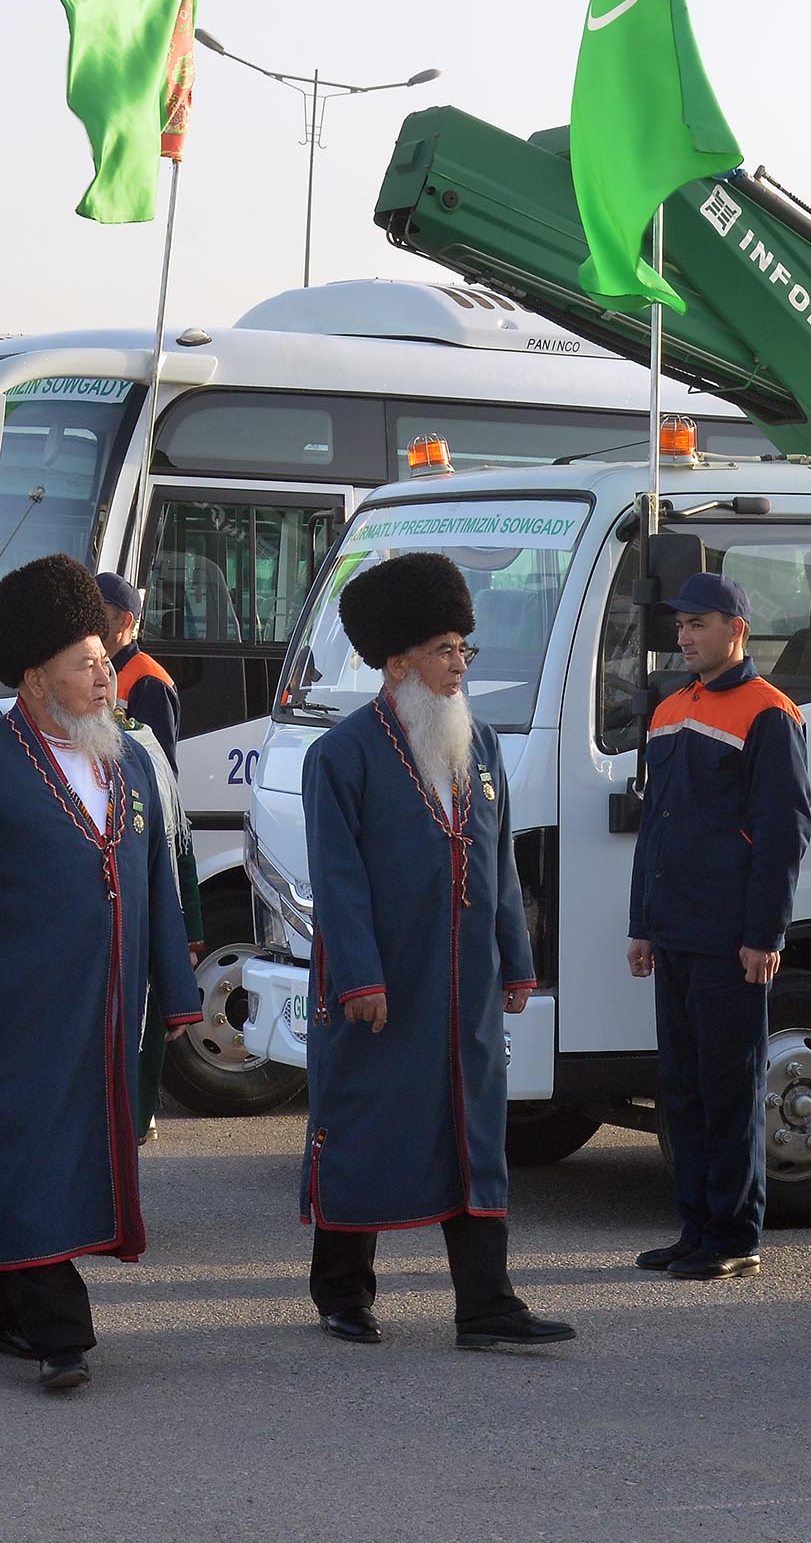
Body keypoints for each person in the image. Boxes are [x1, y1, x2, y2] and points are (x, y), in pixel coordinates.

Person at [0, 553, 199, 1392]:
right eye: (87, 663)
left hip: (106, 1011)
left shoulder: (131, 760)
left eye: (105, 659)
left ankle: (0, 1310)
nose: (108, 675)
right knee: (22, 1154)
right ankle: (60, 1331)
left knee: (70, 1157)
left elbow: (155, 886)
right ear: (37, 678)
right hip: (13, 1012)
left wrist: (177, 996)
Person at [299, 552, 574, 1352]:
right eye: (444, 649)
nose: (459, 664)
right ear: (395, 663)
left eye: (464, 648)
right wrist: (358, 976)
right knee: (365, 1127)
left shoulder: (478, 744)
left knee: (474, 1131)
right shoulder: (341, 755)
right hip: (383, 982)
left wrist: (516, 960)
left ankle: (485, 1303)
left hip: (466, 986)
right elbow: (338, 878)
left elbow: (498, 863)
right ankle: (342, 1291)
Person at [625, 572, 811, 1280]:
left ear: (735, 627)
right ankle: (695, 1227)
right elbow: (654, 832)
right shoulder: (671, 708)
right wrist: (641, 923)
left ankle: (734, 1235)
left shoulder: (769, 711)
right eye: (679, 625)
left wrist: (764, 935)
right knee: (683, 1087)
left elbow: (781, 832)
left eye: (696, 624)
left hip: (731, 937)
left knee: (729, 1088)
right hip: (673, 931)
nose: (683, 636)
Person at [103, 570, 205, 1141]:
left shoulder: (146, 679)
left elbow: (159, 771)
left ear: (126, 620)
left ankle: (136, 1119)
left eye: (101, 612)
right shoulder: (110, 669)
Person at [96, 571, 180, 755]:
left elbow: (156, 764)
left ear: (125, 621)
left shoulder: (150, 681)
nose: (88, 618)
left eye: (98, 610)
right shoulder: (92, 668)